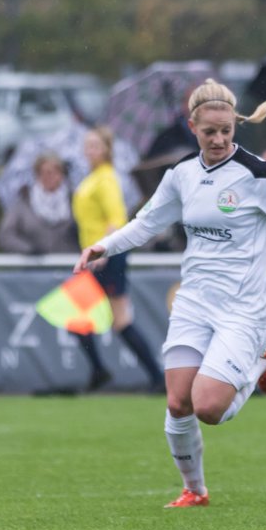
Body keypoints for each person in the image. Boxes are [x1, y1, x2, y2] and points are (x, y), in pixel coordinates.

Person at [73, 79, 266, 508]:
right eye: (210, 131)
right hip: (194, 302)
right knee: (177, 402)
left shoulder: (259, 174)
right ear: (193, 126)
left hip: (242, 310)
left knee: (207, 408)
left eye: (227, 130)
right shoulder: (182, 174)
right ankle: (195, 489)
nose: (219, 139)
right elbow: (147, 221)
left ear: (235, 126)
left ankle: (262, 359)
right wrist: (104, 246)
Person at [72, 126, 163, 392]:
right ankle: (109, 372)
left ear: (106, 150)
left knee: (107, 318)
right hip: (98, 256)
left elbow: (118, 220)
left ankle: (150, 377)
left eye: (95, 145)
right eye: (87, 145)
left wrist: (103, 252)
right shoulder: (93, 178)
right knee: (92, 318)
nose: (89, 150)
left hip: (106, 257)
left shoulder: (106, 179)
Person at [0, 152, 77, 255]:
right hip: (34, 269)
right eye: (43, 173)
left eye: (53, 172)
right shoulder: (23, 203)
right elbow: (5, 236)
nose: (48, 177)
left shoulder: (75, 201)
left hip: (70, 265)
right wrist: (27, 249)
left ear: (62, 175)